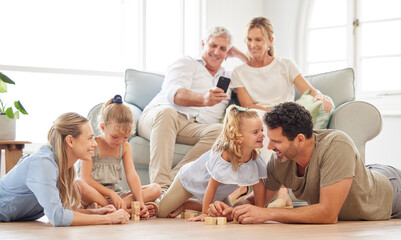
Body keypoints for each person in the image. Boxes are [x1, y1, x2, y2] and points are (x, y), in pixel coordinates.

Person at [209, 102, 401, 224]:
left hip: (389, 191)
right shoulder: (279, 161)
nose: (269, 146)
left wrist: (268, 214)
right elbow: (259, 202)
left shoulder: (337, 145)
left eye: (276, 141)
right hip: (361, 175)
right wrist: (233, 211)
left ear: (300, 139)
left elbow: (328, 214)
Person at [228, 16, 335, 207]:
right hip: (258, 115)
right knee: (261, 122)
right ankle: (271, 189)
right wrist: (269, 112)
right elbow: (247, 104)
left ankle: (281, 191)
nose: (253, 45)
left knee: (274, 126)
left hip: (286, 116)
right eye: (249, 40)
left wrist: (321, 95)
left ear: (270, 41)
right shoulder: (239, 72)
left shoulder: (286, 65)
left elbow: (309, 90)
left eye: (258, 39)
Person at [138, 26, 233, 191]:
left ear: (228, 53)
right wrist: (203, 99)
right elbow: (174, 94)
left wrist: (238, 53)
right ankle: (160, 187)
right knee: (167, 113)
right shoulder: (186, 63)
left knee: (221, 131)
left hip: (191, 125)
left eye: (223, 48)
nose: (217, 52)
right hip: (159, 116)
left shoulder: (230, 76)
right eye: (213, 45)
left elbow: (258, 66)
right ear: (203, 44)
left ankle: (173, 184)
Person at [0, 112, 130, 226]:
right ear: (70, 141)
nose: (94, 143)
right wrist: (108, 219)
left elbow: (62, 210)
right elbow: (57, 217)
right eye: (90, 138)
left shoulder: (63, 166)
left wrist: (97, 212)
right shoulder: (43, 164)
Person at [156, 105, 267, 221]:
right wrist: (205, 213)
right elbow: (212, 186)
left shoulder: (255, 158)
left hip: (217, 193)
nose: (262, 135)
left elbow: (258, 186)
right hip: (190, 180)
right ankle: (159, 195)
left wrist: (260, 211)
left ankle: (188, 204)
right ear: (238, 137)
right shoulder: (225, 156)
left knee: (227, 215)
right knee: (161, 212)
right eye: (255, 132)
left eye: (262, 130)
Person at [78, 95, 162, 218]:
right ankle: (123, 210)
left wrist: (141, 202)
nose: (120, 141)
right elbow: (86, 179)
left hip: (117, 194)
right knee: (80, 185)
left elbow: (132, 176)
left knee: (156, 189)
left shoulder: (125, 147)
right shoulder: (93, 146)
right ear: (103, 127)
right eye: (115, 137)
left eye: (125, 137)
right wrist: (111, 194)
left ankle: (106, 209)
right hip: (94, 194)